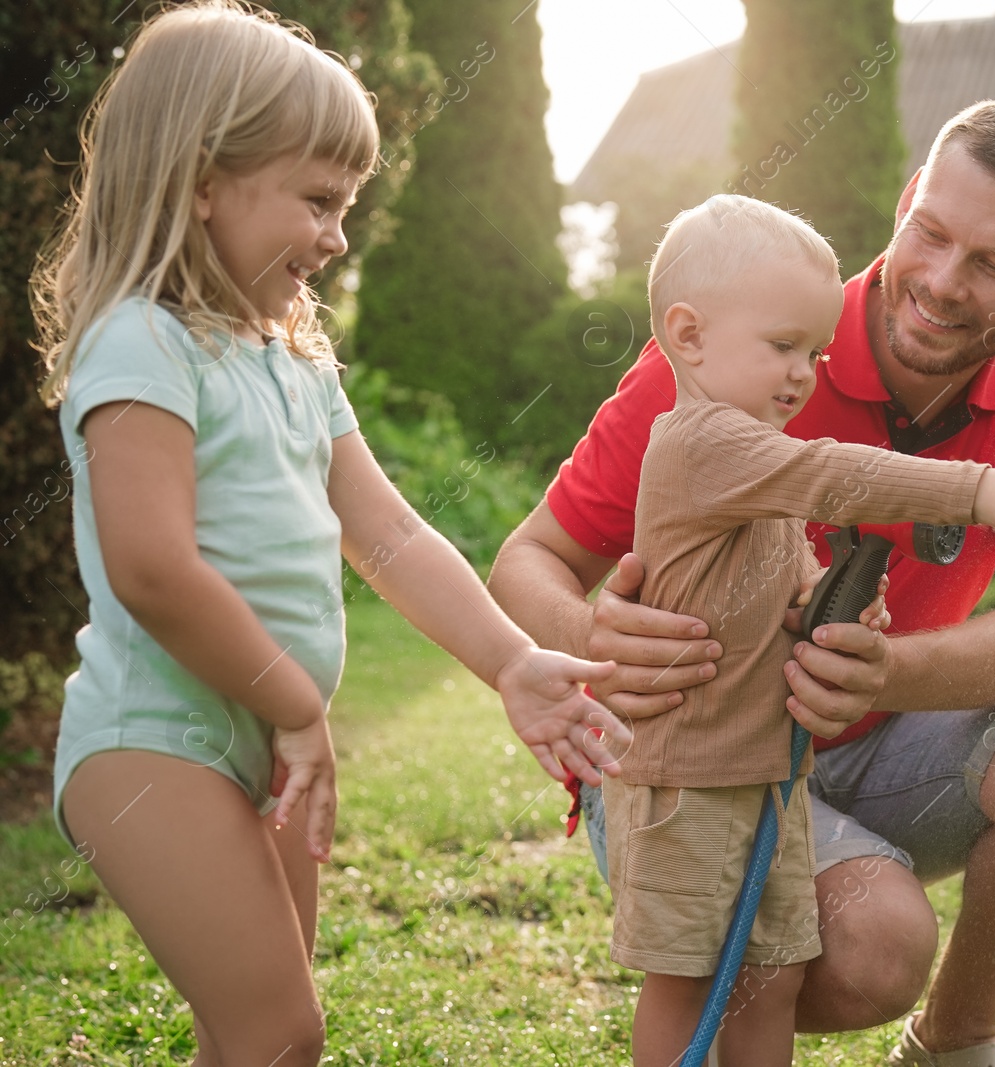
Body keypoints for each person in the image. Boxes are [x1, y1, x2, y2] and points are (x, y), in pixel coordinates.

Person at [490, 97, 995, 1065]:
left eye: (994, 264)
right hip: (696, 758)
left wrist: (887, 672)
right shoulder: (740, 345)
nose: (938, 280)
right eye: (930, 233)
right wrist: (590, 634)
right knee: (875, 943)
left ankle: (953, 1043)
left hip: (864, 750)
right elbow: (525, 559)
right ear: (904, 200)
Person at [30, 5, 628, 1064]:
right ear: (201, 180)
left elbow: (389, 534)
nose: (339, 236)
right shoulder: (142, 344)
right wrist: (296, 703)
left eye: (345, 205)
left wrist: (511, 659)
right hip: (149, 744)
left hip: (267, 746)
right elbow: (154, 569)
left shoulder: (294, 361)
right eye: (316, 201)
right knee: (279, 1031)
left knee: (254, 1041)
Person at [612, 193, 995, 1067]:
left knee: (774, 972)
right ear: (688, 334)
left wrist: (830, 608)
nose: (804, 373)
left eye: (817, 351)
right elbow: (830, 475)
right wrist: (975, 489)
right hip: (690, 776)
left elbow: (788, 579)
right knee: (688, 976)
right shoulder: (707, 443)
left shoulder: (757, 456)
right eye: (783, 347)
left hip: (767, 776)